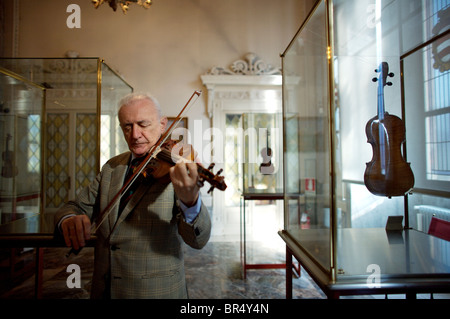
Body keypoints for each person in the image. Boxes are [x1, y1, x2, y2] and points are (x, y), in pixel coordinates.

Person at [55, 93, 211, 299]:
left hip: (155, 292)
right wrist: (69, 218)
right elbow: (75, 206)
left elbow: (198, 240)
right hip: (105, 290)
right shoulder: (112, 167)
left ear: (163, 124)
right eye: (127, 126)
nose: (135, 134)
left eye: (143, 124)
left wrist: (190, 201)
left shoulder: (177, 168)